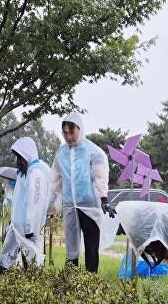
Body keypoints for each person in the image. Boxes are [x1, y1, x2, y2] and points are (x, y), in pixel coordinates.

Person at [48, 112, 118, 273]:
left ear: (80, 129)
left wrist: (103, 199)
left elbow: (100, 176)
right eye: (65, 133)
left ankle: (90, 281)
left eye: (71, 132)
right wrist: (49, 204)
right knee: (71, 244)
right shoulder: (60, 153)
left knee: (91, 244)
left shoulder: (92, 151)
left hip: (89, 205)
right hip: (70, 207)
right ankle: (71, 279)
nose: (68, 136)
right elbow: (55, 181)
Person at [0, 137, 51, 275]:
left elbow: (35, 202)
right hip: (17, 226)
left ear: (28, 155)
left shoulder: (36, 173)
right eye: (17, 158)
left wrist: (30, 227)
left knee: (31, 259)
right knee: (7, 252)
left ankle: (32, 285)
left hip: (29, 229)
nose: (18, 162)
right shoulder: (24, 174)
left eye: (20, 158)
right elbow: (19, 200)